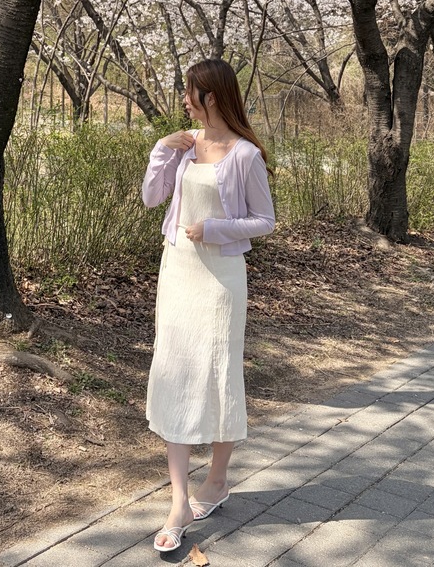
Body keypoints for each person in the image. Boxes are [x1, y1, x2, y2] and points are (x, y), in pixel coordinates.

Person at [141, 58, 275, 553]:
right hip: (178, 273)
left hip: (220, 280)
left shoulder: (245, 155)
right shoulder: (182, 146)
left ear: (211, 97)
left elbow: (265, 220)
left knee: (219, 374)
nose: (183, 99)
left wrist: (215, 229)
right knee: (174, 371)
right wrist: (160, 151)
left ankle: (216, 481)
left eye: (189, 91)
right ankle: (178, 499)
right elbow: (152, 199)